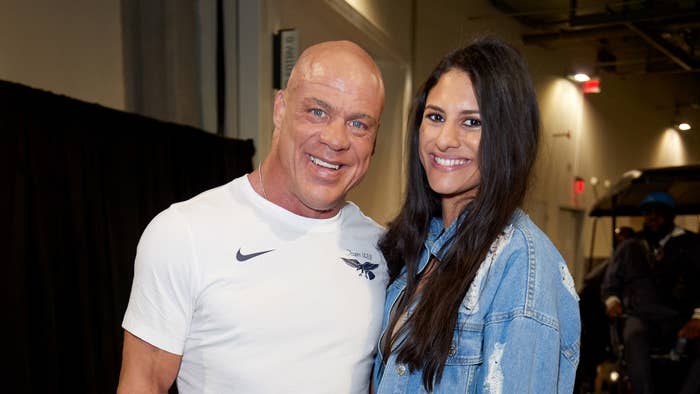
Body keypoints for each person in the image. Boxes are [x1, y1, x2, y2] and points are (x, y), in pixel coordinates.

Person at [117, 40, 388, 393]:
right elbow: (143, 384)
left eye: (358, 124)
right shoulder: (183, 232)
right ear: (280, 108)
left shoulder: (385, 251)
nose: (335, 139)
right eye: (318, 112)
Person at [372, 36, 581, 393]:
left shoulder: (521, 265)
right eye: (435, 117)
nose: (444, 140)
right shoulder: (418, 248)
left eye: (472, 123)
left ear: (507, 136)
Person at [602, 191, 700, 394]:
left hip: (680, 317)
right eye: (648, 213)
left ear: (671, 216)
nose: (652, 218)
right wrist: (612, 301)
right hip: (641, 315)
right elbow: (610, 282)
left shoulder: (692, 245)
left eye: (659, 212)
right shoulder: (630, 247)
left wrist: (699, 317)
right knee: (633, 335)